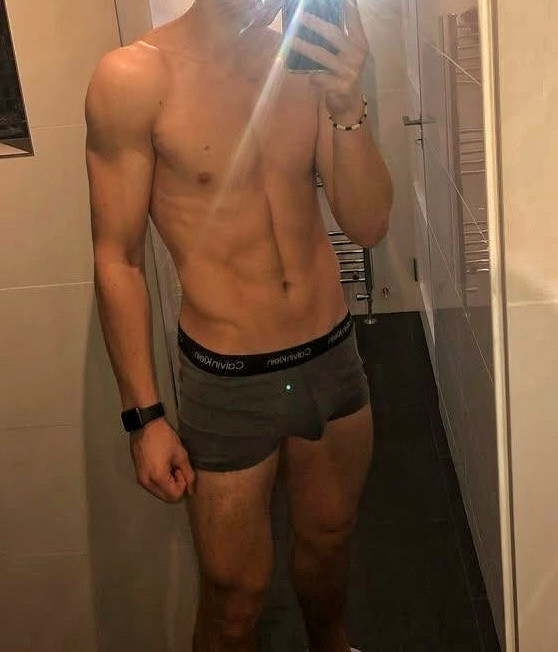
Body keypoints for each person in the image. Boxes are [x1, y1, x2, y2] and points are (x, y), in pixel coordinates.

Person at [85, 0, 393, 649]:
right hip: (228, 378)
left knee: (330, 542)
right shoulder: (134, 77)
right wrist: (144, 417)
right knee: (234, 592)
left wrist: (347, 103)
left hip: (332, 357)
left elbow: (368, 224)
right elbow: (118, 258)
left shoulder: (305, 63)